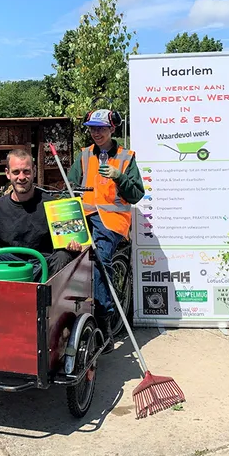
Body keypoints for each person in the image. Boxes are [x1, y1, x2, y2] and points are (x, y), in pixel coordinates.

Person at [67, 109, 144, 352]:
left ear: (112, 129)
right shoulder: (83, 157)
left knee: (99, 259)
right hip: (84, 217)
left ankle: (104, 321)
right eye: (92, 128)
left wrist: (120, 177)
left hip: (112, 221)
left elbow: (137, 195)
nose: (96, 133)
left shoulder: (125, 157)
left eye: (101, 128)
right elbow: (68, 188)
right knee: (63, 254)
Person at [0, 149, 82, 280]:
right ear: (7, 174)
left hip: (42, 265)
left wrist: (72, 245)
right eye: (16, 172)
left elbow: (70, 239)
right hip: (8, 264)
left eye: (26, 171)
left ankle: (44, 296)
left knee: (63, 256)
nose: (21, 177)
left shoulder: (53, 206)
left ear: (34, 171)